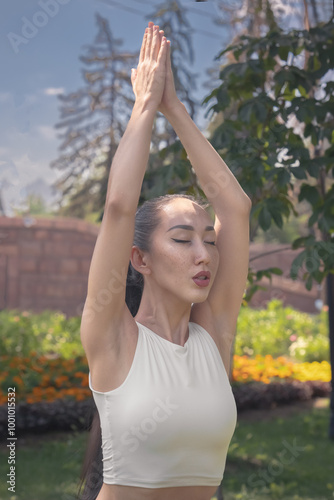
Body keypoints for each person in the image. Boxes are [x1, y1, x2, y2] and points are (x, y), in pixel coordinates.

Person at [79, 21, 251, 500]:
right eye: (182, 240)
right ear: (141, 259)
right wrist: (145, 107)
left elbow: (235, 208)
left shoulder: (214, 333)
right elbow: (118, 208)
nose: (204, 255)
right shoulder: (112, 334)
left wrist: (174, 109)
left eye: (209, 241)